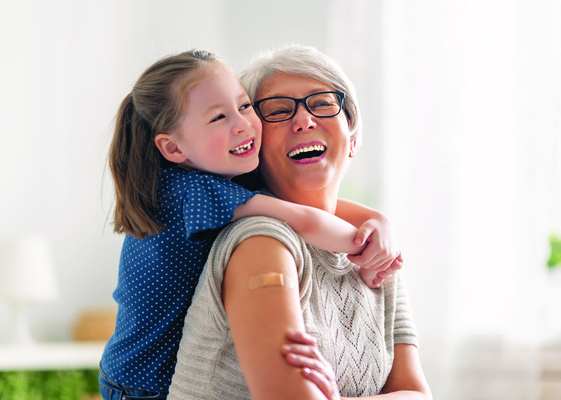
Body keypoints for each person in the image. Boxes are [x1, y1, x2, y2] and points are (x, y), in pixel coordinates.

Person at [99, 49, 403, 400]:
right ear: (173, 147)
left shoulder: (214, 181)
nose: (242, 123)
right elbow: (301, 216)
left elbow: (306, 208)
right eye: (218, 118)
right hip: (140, 382)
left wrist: (377, 221)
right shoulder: (196, 193)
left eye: (244, 107)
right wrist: (364, 246)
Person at [168, 45, 432, 399]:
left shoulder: (377, 255)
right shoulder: (262, 242)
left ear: (352, 138)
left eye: (322, 103)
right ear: (252, 146)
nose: (304, 120)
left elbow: (417, 393)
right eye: (277, 112)